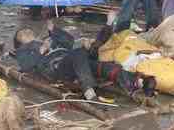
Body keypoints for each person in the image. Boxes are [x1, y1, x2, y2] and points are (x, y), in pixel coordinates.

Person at [14, 22, 157, 101]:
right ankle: (88, 88)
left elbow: (69, 41)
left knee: (100, 65)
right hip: (56, 70)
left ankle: (137, 82)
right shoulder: (23, 51)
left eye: (28, 30)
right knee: (80, 53)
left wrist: (54, 30)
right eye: (23, 34)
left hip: (74, 62)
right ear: (20, 42)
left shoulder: (47, 39)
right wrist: (40, 52)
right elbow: (27, 66)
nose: (28, 32)